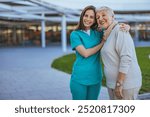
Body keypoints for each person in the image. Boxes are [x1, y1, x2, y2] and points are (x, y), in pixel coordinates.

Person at [70, 5, 129, 100]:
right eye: (86, 15)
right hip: (79, 77)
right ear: (82, 16)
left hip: (96, 77)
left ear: (95, 20)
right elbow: (85, 53)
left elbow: (111, 26)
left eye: (92, 17)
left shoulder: (99, 32)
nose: (88, 19)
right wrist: (102, 42)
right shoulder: (75, 34)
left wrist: (124, 26)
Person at [96, 6, 142, 100]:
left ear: (112, 17)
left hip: (125, 85)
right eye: (98, 17)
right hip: (112, 84)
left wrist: (119, 84)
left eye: (103, 15)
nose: (100, 18)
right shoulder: (107, 33)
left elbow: (126, 58)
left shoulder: (120, 30)